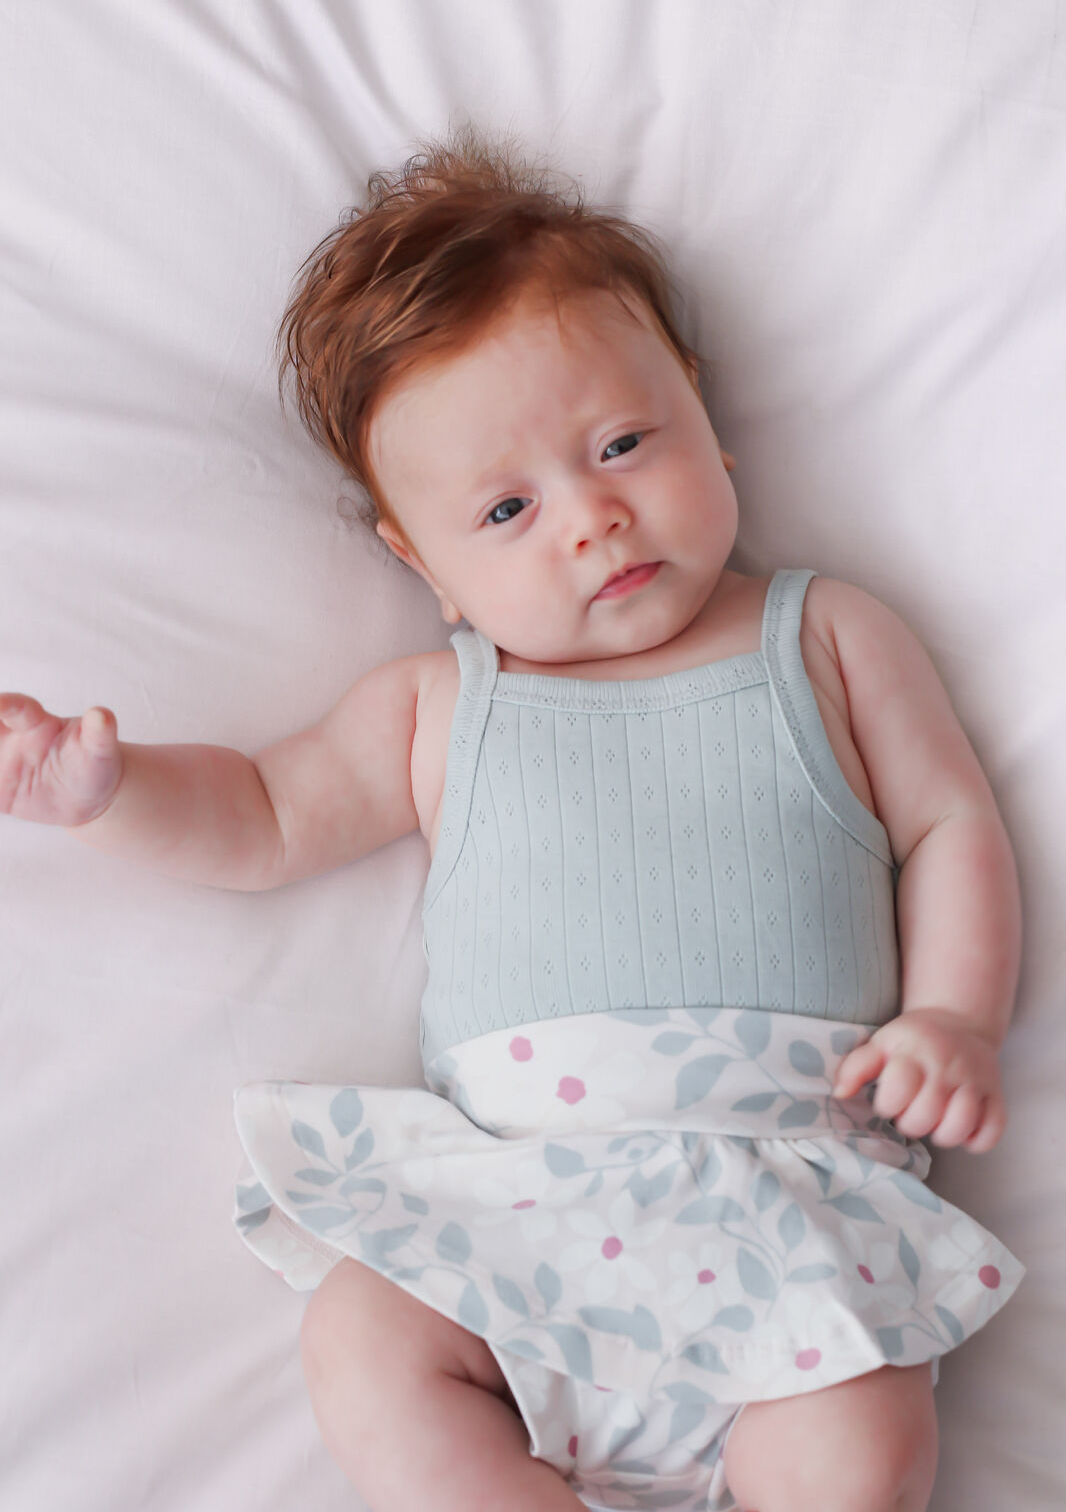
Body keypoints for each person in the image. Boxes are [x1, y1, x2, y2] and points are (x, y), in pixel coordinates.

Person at [0, 131, 1024, 1512]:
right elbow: (260, 814)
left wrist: (953, 1015)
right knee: (366, 1331)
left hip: (789, 1200)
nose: (593, 519)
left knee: (852, 1436)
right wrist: (109, 798)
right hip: (520, 1208)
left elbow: (946, 823)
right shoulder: (436, 706)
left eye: (621, 443)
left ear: (705, 421)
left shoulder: (824, 636)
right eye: (506, 507)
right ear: (423, 565)